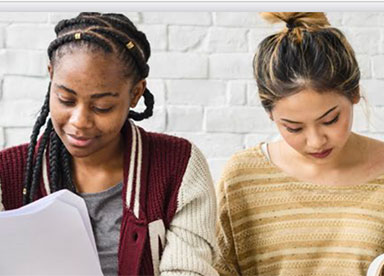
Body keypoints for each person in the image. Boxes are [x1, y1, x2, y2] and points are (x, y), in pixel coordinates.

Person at [0, 12, 218, 276]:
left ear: (136, 93)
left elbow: (188, 270)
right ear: (51, 76)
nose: (79, 121)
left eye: (102, 107)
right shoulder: (7, 173)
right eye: (66, 100)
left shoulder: (180, 166)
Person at [215, 12, 384, 276]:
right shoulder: (242, 178)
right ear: (270, 114)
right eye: (293, 127)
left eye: (330, 120)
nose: (315, 141)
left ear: (354, 93)